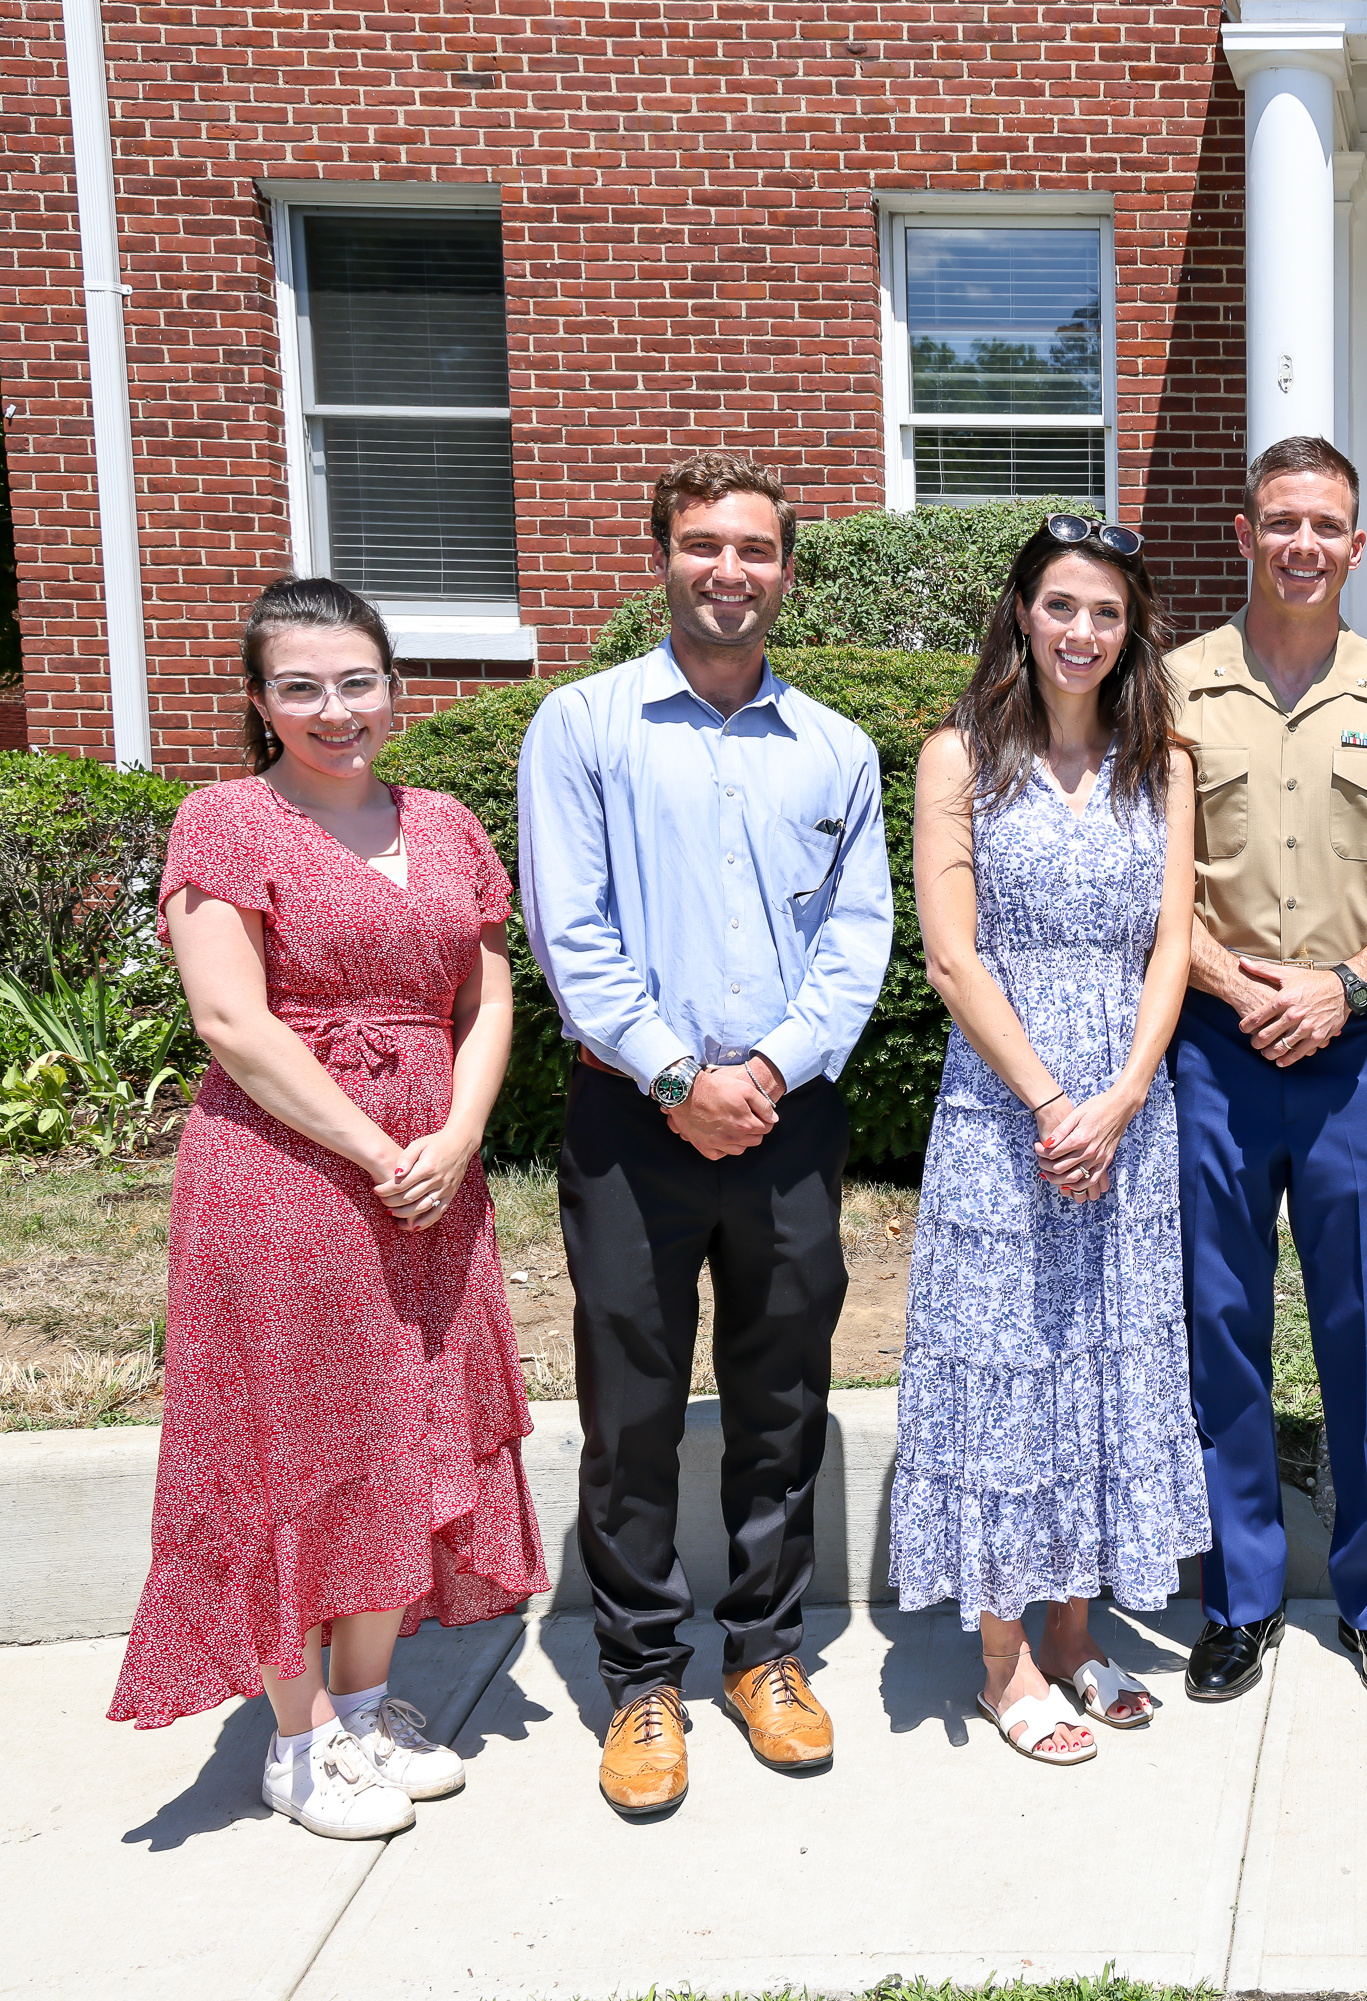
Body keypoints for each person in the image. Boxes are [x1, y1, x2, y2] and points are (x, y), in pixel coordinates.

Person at [110, 578, 546, 1841]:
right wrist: (376, 1147)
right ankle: (292, 1744)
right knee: (290, 1441)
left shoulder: (449, 824)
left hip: (432, 1183)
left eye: (356, 680)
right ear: (258, 701)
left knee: (401, 1423)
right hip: (283, 1179)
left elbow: (489, 1000)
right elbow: (231, 1021)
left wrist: (456, 1138)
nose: (334, 708)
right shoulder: (226, 820)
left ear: (393, 686)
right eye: (299, 686)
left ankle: (361, 1710)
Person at [519, 453, 894, 1819]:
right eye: (701, 545)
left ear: (789, 570)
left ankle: (766, 1654)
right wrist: (681, 1072)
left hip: (790, 1119)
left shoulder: (838, 749)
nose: (728, 569)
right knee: (631, 1404)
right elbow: (573, 930)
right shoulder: (583, 725)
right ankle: (641, 1681)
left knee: (782, 1394)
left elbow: (859, 942)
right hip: (632, 1116)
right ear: (660, 556)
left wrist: (772, 1070)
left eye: (754, 549)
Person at [887, 516, 1209, 1765]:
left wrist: (1124, 1094)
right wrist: (1047, 1101)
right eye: (1062, 606)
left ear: (1133, 634)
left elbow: (1172, 942)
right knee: (1008, 1367)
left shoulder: (1163, 764)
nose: (1083, 632)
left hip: (1130, 1108)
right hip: (1003, 1112)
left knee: (1107, 1363)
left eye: (1108, 614)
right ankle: (1004, 1659)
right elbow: (953, 955)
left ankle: (1076, 1633)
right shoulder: (957, 759)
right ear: (1022, 612)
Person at [1169, 438, 1367, 1710]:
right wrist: (1243, 988)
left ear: (1361, 547)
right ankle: (1240, 1597)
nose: (1304, 543)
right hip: (1213, 1047)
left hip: (1360, 1056)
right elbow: (1146, 876)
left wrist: (1344, 986)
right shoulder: (1170, 692)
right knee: (1223, 1328)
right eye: (1281, 520)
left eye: (1329, 525)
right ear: (1244, 535)